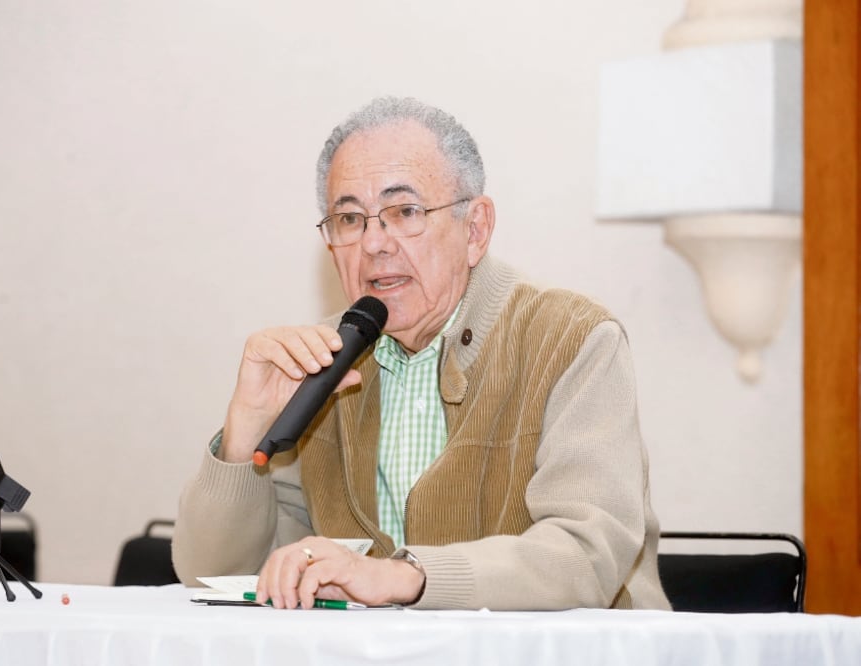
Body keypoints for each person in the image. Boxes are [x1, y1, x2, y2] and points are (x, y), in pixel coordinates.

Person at [172, 96, 670, 612]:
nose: (373, 244)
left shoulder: (572, 338)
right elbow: (215, 577)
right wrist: (245, 432)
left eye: (404, 212)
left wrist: (404, 576)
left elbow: (586, 557)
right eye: (348, 218)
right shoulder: (320, 364)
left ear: (474, 229)